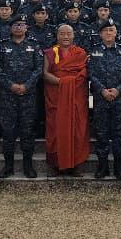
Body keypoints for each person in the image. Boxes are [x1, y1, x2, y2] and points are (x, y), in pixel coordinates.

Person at [0, 15, 42, 178]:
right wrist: (11, 85)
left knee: (27, 132)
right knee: (8, 133)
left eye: (21, 24)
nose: (18, 27)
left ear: (26, 27)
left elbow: (39, 69)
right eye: (15, 25)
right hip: (7, 96)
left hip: (28, 96)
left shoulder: (34, 45)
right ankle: (8, 166)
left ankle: (28, 165)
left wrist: (26, 85)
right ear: (10, 28)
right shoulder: (2, 46)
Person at [42, 24, 91, 176]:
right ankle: (57, 165)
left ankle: (76, 164)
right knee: (56, 129)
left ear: (73, 35)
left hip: (76, 97)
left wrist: (69, 83)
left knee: (78, 129)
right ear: (57, 36)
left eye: (68, 34)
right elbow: (45, 74)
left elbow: (84, 73)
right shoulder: (51, 52)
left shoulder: (80, 53)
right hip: (56, 96)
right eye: (62, 34)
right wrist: (63, 82)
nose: (65, 37)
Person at [88, 18, 121, 180]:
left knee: (119, 134)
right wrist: (102, 90)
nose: (108, 33)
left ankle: (118, 167)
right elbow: (91, 73)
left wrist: (118, 89)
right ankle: (103, 166)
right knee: (101, 133)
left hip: (119, 99)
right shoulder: (93, 52)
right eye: (105, 30)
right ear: (100, 33)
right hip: (101, 99)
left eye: (111, 30)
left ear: (116, 33)